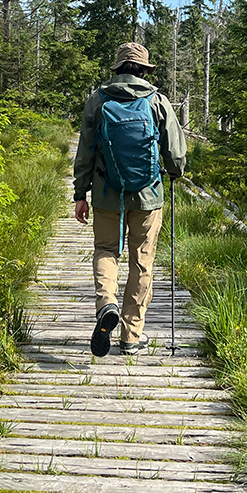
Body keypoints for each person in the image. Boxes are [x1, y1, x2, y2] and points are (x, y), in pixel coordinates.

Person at [73, 42, 186, 356]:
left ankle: (106, 303)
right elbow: (176, 154)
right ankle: (131, 335)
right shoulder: (157, 101)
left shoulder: (97, 100)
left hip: (107, 194)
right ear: (144, 70)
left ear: (118, 69)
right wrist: (175, 171)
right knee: (142, 263)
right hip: (148, 196)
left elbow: (85, 152)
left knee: (106, 250)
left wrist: (80, 193)